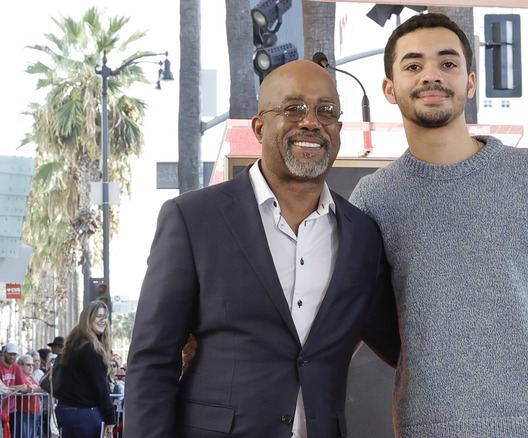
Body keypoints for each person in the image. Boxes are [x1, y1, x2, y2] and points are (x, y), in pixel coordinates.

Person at [349, 12, 528, 437]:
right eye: (413, 65)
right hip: (431, 428)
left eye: (447, 63)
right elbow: (361, 321)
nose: (431, 75)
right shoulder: (372, 199)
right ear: (390, 89)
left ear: (469, 81)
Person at [125, 59, 400, 438]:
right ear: (258, 126)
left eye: (327, 111)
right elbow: (152, 361)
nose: (311, 121)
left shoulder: (363, 234)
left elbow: (403, 342)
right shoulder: (192, 219)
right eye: (293, 109)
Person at [54, 300, 115, 438]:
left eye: (105, 317)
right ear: (88, 318)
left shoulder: (73, 344)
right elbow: (100, 386)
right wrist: (110, 416)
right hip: (85, 413)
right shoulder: (91, 348)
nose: (103, 320)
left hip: (66, 411)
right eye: (98, 316)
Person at [1, 343, 28, 435]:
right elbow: (2, 387)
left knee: (10, 433)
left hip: (11, 408)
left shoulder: (16, 366)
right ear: (4, 353)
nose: (12, 357)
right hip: (1, 407)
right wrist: (16, 387)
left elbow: (23, 385)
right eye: (10, 354)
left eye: (14, 354)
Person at [14, 354, 44, 438]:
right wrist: (40, 388)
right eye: (28, 364)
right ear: (20, 366)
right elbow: (25, 389)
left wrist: (36, 389)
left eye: (32, 365)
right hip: (25, 412)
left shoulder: (30, 377)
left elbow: (39, 389)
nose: (31, 367)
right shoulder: (20, 377)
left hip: (35, 412)